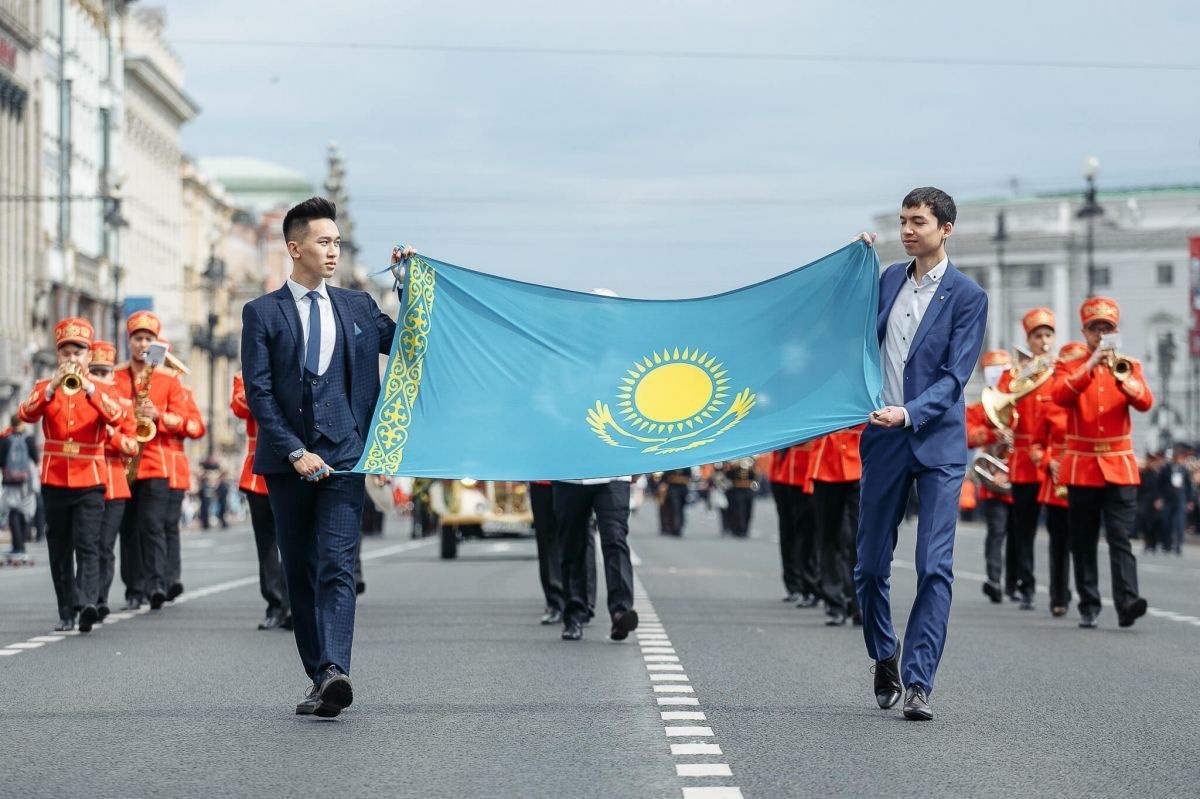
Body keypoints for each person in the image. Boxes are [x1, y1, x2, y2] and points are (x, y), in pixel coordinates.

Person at [240, 197, 397, 718]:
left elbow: (408, 341)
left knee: (337, 568)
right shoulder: (261, 313)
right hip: (290, 465)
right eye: (324, 242)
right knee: (301, 571)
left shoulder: (356, 307)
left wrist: (411, 283)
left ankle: (334, 670)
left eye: (337, 242)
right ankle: (319, 671)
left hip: (346, 457)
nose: (334, 251)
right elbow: (259, 393)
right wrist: (293, 450)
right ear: (295, 248)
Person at [855, 187, 988, 721]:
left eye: (918, 222)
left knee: (934, 565)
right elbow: (850, 326)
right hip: (884, 440)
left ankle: (919, 681)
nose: (908, 230)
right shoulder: (888, 278)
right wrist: (854, 264)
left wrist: (909, 412)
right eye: (903, 221)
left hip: (936, 443)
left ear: (945, 229)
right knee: (867, 568)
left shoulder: (967, 296)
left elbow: (957, 377)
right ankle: (885, 652)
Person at [1051, 297, 1153, 629]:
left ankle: (1127, 602)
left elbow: (1145, 402)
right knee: (1083, 538)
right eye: (1095, 328)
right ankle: (1089, 602)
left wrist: (1122, 377)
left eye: (1106, 328)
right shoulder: (1071, 365)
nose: (1100, 333)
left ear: (1115, 331)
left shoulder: (1129, 365)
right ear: (1085, 331)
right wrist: (1091, 364)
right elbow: (1060, 396)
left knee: (1120, 536)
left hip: (1119, 464)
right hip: (1082, 466)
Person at [18, 318, 123, 632]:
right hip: (54, 478)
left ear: (88, 356)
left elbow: (116, 416)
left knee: (88, 544)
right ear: (58, 355)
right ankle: (66, 610)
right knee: (59, 547)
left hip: (90, 479)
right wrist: (51, 388)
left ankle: (87, 603)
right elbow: (26, 413)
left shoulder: (101, 390)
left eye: (78, 353)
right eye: (66, 352)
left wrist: (90, 388)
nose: (72, 359)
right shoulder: (43, 389)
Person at [112, 311, 188, 611]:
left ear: (155, 342)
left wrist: (160, 416)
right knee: (127, 527)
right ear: (129, 341)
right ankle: (134, 588)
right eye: (137, 338)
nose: (143, 343)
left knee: (152, 524)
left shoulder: (169, 378)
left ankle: (157, 583)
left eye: (148, 338)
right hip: (124, 461)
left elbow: (183, 420)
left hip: (155, 462)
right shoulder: (116, 376)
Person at [998, 308, 1058, 610]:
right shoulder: (1014, 375)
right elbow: (998, 407)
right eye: (1038, 336)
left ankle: (1060, 590)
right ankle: (1026, 584)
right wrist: (1002, 429)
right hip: (1024, 462)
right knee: (1024, 528)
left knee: (1061, 529)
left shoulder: (1060, 373)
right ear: (1029, 339)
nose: (1044, 341)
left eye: (1048, 335)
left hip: (1054, 462)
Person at [231, 371, 292, 631]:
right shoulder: (244, 376)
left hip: (292, 466)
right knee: (266, 545)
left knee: (292, 544)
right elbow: (240, 406)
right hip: (257, 472)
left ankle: (294, 605)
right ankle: (275, 604)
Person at [87, 340, 138, 621]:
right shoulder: (81, 398)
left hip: (113, 481)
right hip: (84, 480)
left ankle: (99, 598)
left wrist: (110, 436)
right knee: (87, 544)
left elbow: (132, 445)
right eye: (94, 370)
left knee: (105, 544)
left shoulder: (123, 405)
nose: (100, 377)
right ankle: (85, 598)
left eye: (105, 372)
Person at [554, 475, 638, 642]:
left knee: (615, 538)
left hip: (614, 473)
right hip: (569, 475)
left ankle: (620, 612)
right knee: (571, 544)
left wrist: (638, 464)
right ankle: (574, 615)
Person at [1035, 341, 1085, 616]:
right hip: (1057, 484)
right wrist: (1048, 462)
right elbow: (1035, 445)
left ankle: (1088, 597)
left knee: (1083, 543)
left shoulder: (1092, 400)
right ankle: (1059, 596)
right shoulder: (1051, 405)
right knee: (1058, 545)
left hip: (1085, 478)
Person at [966, 350, 1014, 604]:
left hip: (1022, 475)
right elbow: (967, 433)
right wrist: (992, 435)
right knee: (996, 530)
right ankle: (994, 579)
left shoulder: (1022, 401)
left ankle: (1018, 582)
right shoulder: (979, 408)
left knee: (1019, 532)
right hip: (993, 478)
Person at [811, 426, 864, 626]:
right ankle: (834, 602)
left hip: (860, 460)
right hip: (825, 464)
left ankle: (859, 601)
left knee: (859, 538)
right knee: (829, 537)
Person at [161, 358, 205, 600]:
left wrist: (170, 420)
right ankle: (147, 581)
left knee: (169, 524)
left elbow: (197, 427)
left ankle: (170, 578)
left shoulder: (183, 393)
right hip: (142, 466)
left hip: (173, 467)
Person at [770, 442, 821, 605]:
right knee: (789, 532)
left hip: (812, 469)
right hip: (784, 471)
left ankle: (813, 583)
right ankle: (795, 584)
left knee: (811, 533)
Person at [1, 416, 39, 564]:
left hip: (10, 482)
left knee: (13, 512)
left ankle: (18, 547)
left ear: (11, 424)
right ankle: (22, 546)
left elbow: (1, 461)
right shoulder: (29, 439)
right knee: (25, 512)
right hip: (26, 483)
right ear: (22, 423)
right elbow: (35, 459)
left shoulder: (5, 440)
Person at [529, 480, 564, 624]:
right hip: (542, 479)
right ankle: (555, 603)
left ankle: (581, 601)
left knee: (578, 535)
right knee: (546, 538)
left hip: (573, 478)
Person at [1156, 447, 1194, 555]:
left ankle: (1178, 545)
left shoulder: (1184, 470)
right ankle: (1166, 544)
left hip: (1180, 499)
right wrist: (1159, 498)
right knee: (1167, 522)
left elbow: (1189, 486)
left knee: (1179, 523)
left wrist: (1190, 501)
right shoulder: (1166, 468)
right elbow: (1159, 484)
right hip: (1168, 499)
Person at [723, 458, 757, 538]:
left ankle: (745, 529)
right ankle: (739, 529)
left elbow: (754, 476)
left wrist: (751, 466)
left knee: (748, 510)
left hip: (748, 489)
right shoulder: (733, 463)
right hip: (737, 490)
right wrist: (733, 466)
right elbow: (728, 475)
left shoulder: (751, 462)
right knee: (738, 511)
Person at [658, 468, 690, 536]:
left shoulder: (686, 465)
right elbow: (665, 478)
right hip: (673, 489)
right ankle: (675, 527)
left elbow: (688, 477)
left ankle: (679, 525)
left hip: (683, 490)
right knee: (675, 508)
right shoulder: (671, 466)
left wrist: (676, 479)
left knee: (681, 508)